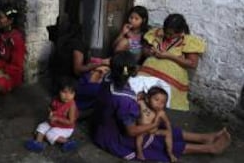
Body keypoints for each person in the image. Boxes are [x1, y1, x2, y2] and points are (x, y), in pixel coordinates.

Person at [92, 51, 231, 162]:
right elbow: (131, 132)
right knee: (158, 140)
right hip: (114, 137)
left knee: (163, 127)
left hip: (104, 125)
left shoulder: (109, 77)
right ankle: (210, 149)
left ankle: (203, 138)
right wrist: (152, 125)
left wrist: (138, 100)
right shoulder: (124, 101)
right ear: (133, 71)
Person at [138, 13, 206, 111]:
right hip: (148, 73)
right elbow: (144, 50)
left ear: (180, 32)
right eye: (166, 32)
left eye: (171, 34)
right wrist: (149, 52)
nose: (167, 35)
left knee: (159, 100)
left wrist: (170, 56)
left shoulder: (188, 41)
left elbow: (192, 64)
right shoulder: (157, 34)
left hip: (170, 80)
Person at [48, 19, 109, 110]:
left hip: (57, 83)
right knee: (102, 90)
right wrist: (98, 65)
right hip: (68, 84)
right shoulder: (77, 44)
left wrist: (98, 62)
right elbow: (78, 70)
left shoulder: (62, 42)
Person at [25, 78, 79, 153]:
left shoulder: (71, 106)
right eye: (64, 92)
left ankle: (67, 142)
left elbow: (71, 121)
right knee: (41, 126)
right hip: (54, 122)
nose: (67, 96)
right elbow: (50, 107)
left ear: (75, 94)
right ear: (58, 92)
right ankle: (38, 143)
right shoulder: (56, 99)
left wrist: (57, 119)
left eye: (71, 93)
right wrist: (50, 112)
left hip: (66, 128)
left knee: (50, 133)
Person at [0, 4, 26, 97]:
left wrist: (1, 71)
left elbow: (17, 66)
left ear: (10, 21)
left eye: (0, 17)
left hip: (10, 73)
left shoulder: (16, 40)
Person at [136, 87, 177, 162]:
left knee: (168, 133)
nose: (159, 104)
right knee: (139, 135)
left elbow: (167, 122)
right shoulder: (142, 104)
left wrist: (170, 131)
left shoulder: (161, 113)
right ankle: (139, 152)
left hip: (154, 131)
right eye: (156, 100)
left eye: (163, 102)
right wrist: (140, 96)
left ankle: (170, 153)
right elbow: (135, 99)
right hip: (143, 130)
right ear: (148, 99)